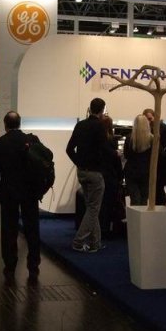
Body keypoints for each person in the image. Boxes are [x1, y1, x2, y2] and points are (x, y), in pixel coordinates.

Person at [0, 111, 41, 282]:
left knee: (9, 230)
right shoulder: (32, 140)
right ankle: (33, 266)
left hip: (8, 192)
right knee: (32, 229)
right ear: (19, 123)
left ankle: (10, 266)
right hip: (30, 192)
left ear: (5, 125)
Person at [66, 97, 109, 253]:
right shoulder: (100, 126)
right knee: (93, 209)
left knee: (91, 208)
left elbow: (69, 149)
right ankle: (78, 242)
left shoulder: (80, 125)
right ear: (102, 110)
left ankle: (95, 243)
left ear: (90, 108)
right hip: (95, 173)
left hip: (82, 172)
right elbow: (105, 150)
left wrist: (79, 163)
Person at [99, 115, 123, 238]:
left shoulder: (96, 141)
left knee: (99, 204)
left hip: (99, 174)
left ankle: (99, 230)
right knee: (109, 204)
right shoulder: (112, 140)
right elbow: (116, 161)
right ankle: (106, 229)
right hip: (111, 175)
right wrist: (120, 176)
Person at [143, 108, 166, 204]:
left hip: (160, 164)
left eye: (150, 119)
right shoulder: (144, 129)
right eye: (146, 119)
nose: (148, 121)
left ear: (155, 117)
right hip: (149, 164)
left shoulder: (164, 129)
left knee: (158, 189)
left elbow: (165, 147)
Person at [123, 114, 152, 206]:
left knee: (134, 199)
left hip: (131, 172)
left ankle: (134, 215)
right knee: (144, 199)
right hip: (146, 172)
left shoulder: (129, 138)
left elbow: (126, 155)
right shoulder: (152, 139)